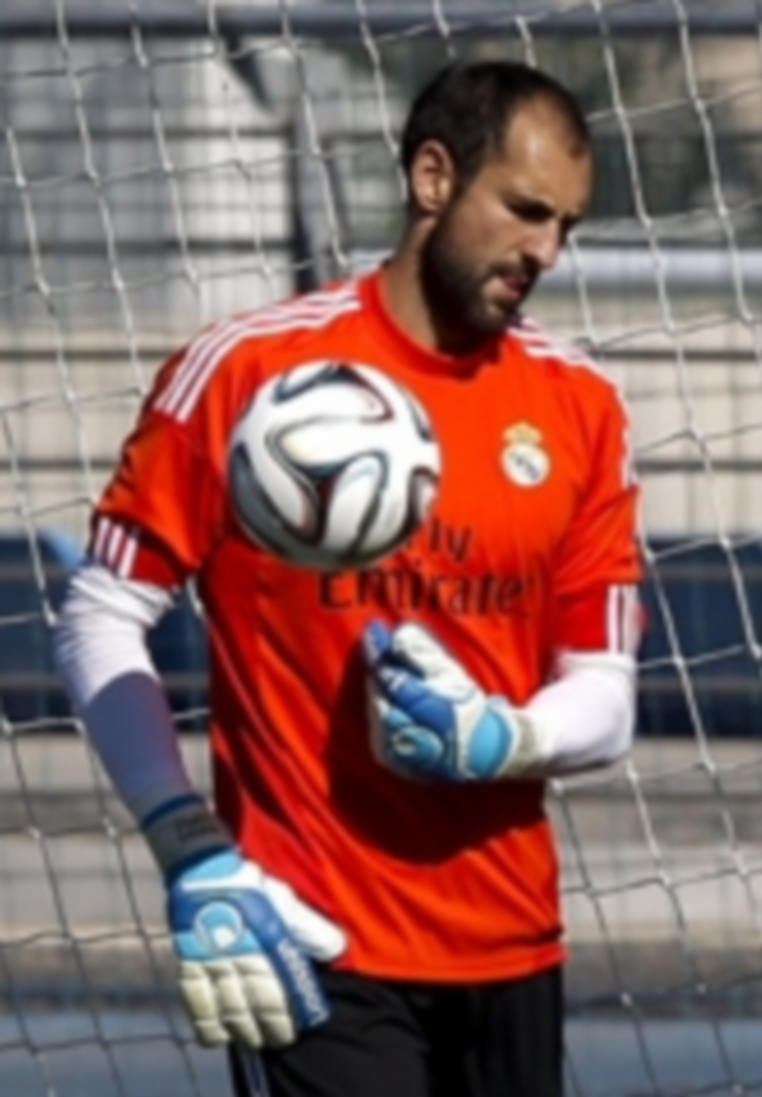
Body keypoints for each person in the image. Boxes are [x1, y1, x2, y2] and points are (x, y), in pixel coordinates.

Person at [54, 60, 641, 1097]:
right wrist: (188, 844)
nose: (545, 250)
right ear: (429, 177)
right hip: (311, 941)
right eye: (523, 210)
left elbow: (604, 690)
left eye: (566, 227)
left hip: (512, 945)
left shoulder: (579, 404)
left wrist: (503, 735)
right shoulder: (245, 372)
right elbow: (100, 612)